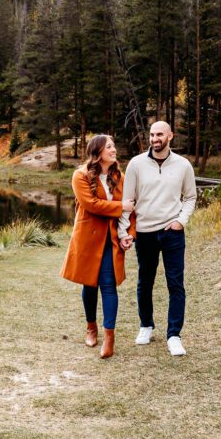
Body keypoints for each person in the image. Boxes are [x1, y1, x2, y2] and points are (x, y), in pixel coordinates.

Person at [118, 121, 196, 357]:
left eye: (159, 134)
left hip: (172, 233)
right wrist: (124, 232)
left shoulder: (183, 165)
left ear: (170, 136)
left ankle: (174, 335)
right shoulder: (136, 164)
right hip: (145, 233)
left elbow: (190, 197)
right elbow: (127, 202)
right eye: (152, 135)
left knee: (176, 284)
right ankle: (146, 326)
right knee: (145, 281)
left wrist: (180, 221)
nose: (154, 139)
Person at [59, 134, 135, 359]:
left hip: (111, 239)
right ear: (98, 152)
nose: (114, 150)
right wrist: (120, 205)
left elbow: (132, 209)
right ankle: (90, 327)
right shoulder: (80, 176)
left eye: (113, 146)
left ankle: (109, 338)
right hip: (88, 238)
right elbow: (91, 205)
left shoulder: (119, 176)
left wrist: (129, 234)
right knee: (90, 285)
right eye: (109, 147)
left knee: (109, 286)